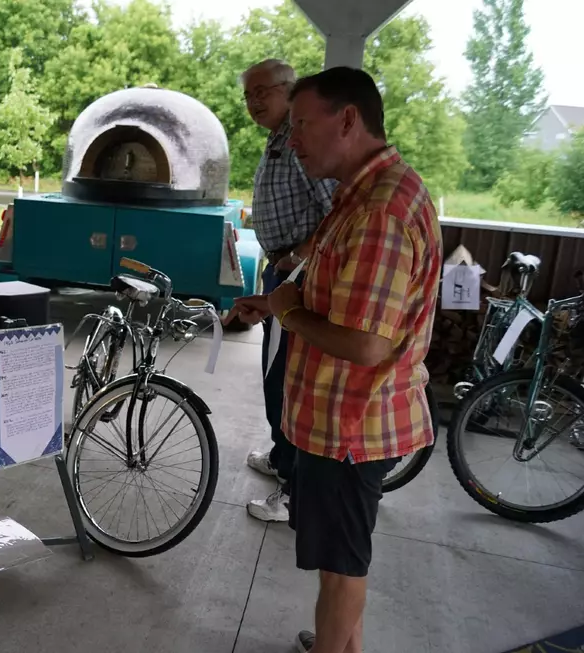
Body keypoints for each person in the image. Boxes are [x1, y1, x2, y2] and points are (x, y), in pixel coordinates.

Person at [229, 67, 442, 653]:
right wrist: (274, 305)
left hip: (352, 424)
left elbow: (368, 343)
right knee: (337, 562)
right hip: (340, 420)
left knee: (344, 567)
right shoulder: (364, 194)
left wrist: (291, 315)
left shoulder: (380, 211)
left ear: (347, 119)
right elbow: (331, 294)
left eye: (302, 124)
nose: (292, 139)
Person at [238, 58, 337, 522]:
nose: (254, 102)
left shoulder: (301, 145)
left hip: (299, 274)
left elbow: (334, 211)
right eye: (248, 95)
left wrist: (297, 257)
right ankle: (282, 459)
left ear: (289, 89)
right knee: (275, 373)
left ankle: (295, 490)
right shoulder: (278, 140)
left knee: (290, 381)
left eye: (263, 92)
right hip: (280, 269)